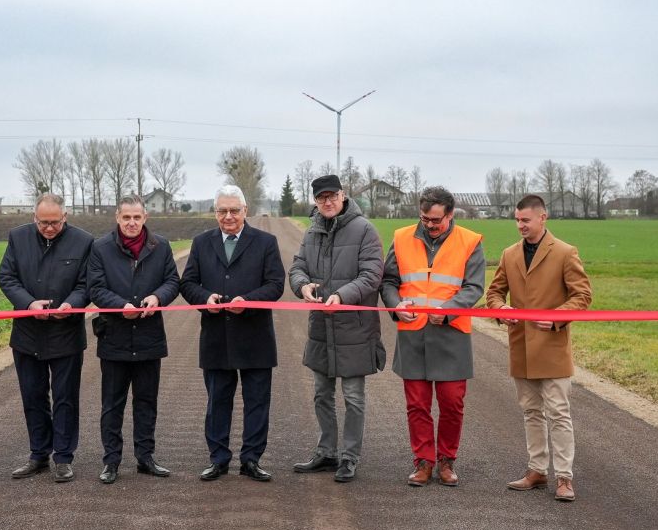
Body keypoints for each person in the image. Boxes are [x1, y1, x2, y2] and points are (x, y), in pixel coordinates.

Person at [486, 194, 592, 502]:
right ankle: (536, 471)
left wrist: (557, 318)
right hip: (521, 346)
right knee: (531, 411)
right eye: (517, 220)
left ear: (542, 218)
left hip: (552, 347)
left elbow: (582, 296)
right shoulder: (509, 254)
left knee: (558, 412)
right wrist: (500, 309)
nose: (520, 225)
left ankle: (564, 478)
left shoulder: (564, 252)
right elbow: (494, 292)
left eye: (525, 220)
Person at [180, 185, 286, 482]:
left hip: (255, 336)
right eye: (223, 211)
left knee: (257, 403)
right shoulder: (201, 243)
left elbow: (276, 284)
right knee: (217, 402)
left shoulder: (265, 242)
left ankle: (251, 459)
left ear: (245, 211)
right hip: (216, 336)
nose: (229, 216)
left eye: (234, 211)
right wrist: (206, 299)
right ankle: (219, 458)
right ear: (215, 213)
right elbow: (187, 283)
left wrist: (248, 302)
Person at [380, 187, 485, 487]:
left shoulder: (470, 241)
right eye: (425, 218)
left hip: (451, 334)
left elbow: (473, 287)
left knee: (452, 403)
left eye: (436, 220)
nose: (429, 225)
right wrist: (395, 305)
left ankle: (447, 460)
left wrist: (449, 310)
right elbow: (389, 281)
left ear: (450, 215)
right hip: (412, 335)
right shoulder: (401, 238)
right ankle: (423, 462)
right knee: (417, 405)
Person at [288, 174, 386, 483]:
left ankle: (350, 456)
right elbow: (297, 268)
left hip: (354, 329)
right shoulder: (312, 232)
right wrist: (302, 286)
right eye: (321, 198)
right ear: (315, 201)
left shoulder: (365, 230)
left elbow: (372, 275)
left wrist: (342, 295)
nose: (327, 202)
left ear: (343, 195)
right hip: (321, 327)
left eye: (332, 196)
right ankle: (327, 451)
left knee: (354, 397)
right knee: (321, 394)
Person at [0, 193, 94, 483]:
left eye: (55, 222)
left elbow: (87, 283)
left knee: (65, 398)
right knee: (33, 396)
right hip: (28, 333)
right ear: (33, 218)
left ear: (65, 217)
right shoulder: (18, 238)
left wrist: (72, 304)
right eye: (43, 223)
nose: (49, 228)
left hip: (66, 332)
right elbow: (7, 277)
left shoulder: (84, 241)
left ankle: (63, 457)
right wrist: (28, 304)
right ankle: (38, 454)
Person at [87, 195, 181, 484]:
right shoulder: (101, 248)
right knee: (112, 404)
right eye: (126, 217)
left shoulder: (161, 246)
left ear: (145, 218)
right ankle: (111, 460)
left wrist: (158, 297)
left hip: (149, 337)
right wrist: (120, 306)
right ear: (117, 217)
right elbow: (95, 288)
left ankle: (145, 457)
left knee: (146, 402)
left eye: (136, 217)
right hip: (114, 336)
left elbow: (172, 281)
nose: (131, 222)